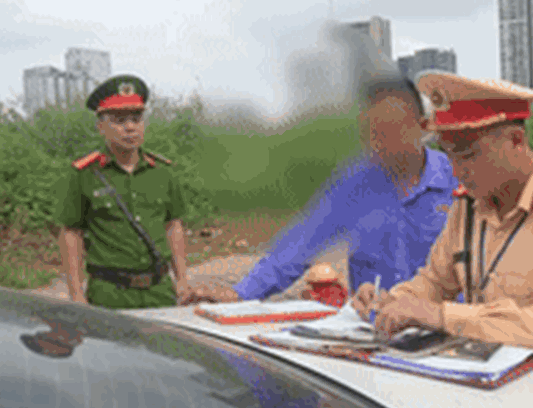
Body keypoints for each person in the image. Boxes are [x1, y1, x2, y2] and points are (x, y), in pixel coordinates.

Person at [354, 72, 533, 382]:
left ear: (516, 141)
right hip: (477, 395)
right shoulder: (468, 207)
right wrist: (391, 301)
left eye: (468, 155)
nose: (456, 170)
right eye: (449, 155)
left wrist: (443, 316)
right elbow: (436, 281)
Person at [188, 74, 461, 304]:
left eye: (393, 129)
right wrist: (238, 295)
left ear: (423, 126)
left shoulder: (459, 181)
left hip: (444, 330)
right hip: (377, 330)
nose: (382, 142)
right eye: (373, 131)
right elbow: (299, 245)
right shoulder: (356, 184)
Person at [54, 74, 192, 309]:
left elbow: (173, 226)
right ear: (101, 126)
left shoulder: (163, 172)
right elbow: (71, 234)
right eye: (119, 120)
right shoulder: (84, 174)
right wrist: (76, 294)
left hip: (159, 292)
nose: (129, 127)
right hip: (109, 295)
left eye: (136, 118)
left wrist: (182, 281)